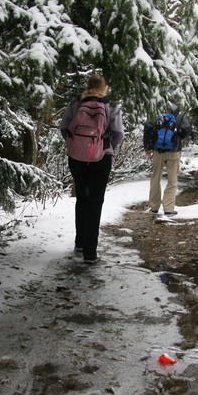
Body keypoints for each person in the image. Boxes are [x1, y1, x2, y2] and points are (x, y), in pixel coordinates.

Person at [60, 73, 124, 264]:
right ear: (105, 88)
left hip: (76, 159)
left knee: (82, 198)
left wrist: (77, 147)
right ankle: (90, 252)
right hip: (101, 159)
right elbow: (119, 133)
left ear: (88, 86)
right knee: (95, 202)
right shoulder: (111, 106)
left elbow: (64, 128)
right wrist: (104, 146)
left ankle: (79, 243)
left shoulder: (75, 104)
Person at [143, 102, 192, 216]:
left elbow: (147, 128)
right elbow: (187, 129)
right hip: (174, 152)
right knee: (172, 180)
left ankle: (154, 207)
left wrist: (147, 147)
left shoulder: (157, 110)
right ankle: (169, 208)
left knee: (155, 178)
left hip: (157, 151)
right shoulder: (180, 114)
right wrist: (178, 138)